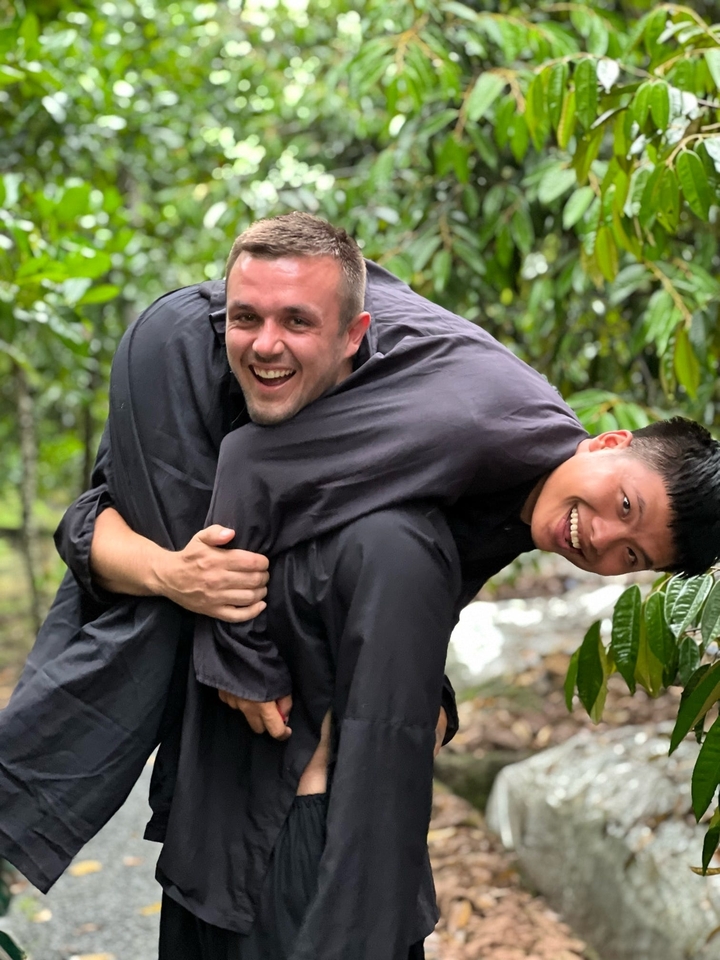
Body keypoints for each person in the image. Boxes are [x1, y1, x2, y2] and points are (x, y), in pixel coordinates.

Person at [1, 213, 719, 957]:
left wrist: (420, 686)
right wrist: (245, 663)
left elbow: (425, 576)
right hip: (194, 356)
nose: (600, 537)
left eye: (630, 556)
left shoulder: (533, 494)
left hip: (273, 365)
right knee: (170, 604)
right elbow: (254, 470)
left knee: (170, 566)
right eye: (623, 505)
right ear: (607, 441)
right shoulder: (474, 423)